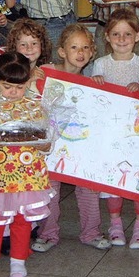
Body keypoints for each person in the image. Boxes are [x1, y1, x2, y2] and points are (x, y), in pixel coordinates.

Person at [0, 52, 54, 277]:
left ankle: (18, 258)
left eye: (20, 86)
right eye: (7, 86)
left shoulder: (35, 107)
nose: (13, 92)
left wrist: (45, 145)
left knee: (22, 219)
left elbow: (47, 138)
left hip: (27, 175)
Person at [30, 24, 112, 252]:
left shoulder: (90, 82)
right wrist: (32, 77)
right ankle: (47, 233)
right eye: (74, 47)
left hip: (80, 148)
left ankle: (92, 232)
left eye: (86, 47)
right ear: (62, 51)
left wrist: (98, 89)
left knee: (88, 190)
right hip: (49, 148)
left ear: (93, 52)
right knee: (49, 190)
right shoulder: (45, 72)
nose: (80, 52)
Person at [90, 8, 139, 249]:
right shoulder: (100, 64)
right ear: (107, 36)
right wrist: (96, 84)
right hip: (111, 134)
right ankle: (115, 223)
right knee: (113, 179)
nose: (122, 39)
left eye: (127, 34)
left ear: (137, 36)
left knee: (138, 178)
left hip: (138, 135)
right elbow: (94, 97)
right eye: (116, 34)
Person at [5, 18, 53, 91]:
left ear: (42, 45)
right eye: (23, 44)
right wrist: (30, 79)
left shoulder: (43, 70)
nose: (29, 48)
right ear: (14, 47)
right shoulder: (9, 73)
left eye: (34, 43)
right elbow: (13, 95)